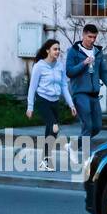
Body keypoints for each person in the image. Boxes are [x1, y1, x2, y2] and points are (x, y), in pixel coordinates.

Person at [26, 39, 78, 171]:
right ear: (47, 50)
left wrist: (71, 104)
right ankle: (46, 160)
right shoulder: (39, 66)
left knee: (51, 132)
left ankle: (45, 161)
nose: (57, 52)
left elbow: (64, 86)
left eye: (59, 49)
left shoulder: (60, 66)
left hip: (55, 101)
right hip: (43, 100)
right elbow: (32, 88)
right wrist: (30, 106)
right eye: (55, 49)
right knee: (54, 127)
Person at [65, 24, 107, 140]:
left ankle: (74, 146)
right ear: (83, 35)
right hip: (80, 93)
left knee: (97, 127)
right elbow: (69, 72)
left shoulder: (97, 52)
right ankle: (85, 155)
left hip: (94, 94)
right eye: (89, 37)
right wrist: (84, 63)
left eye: (94, 37)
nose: (92, 40)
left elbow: (103, 72)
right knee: (87, 126)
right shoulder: (74, 51)